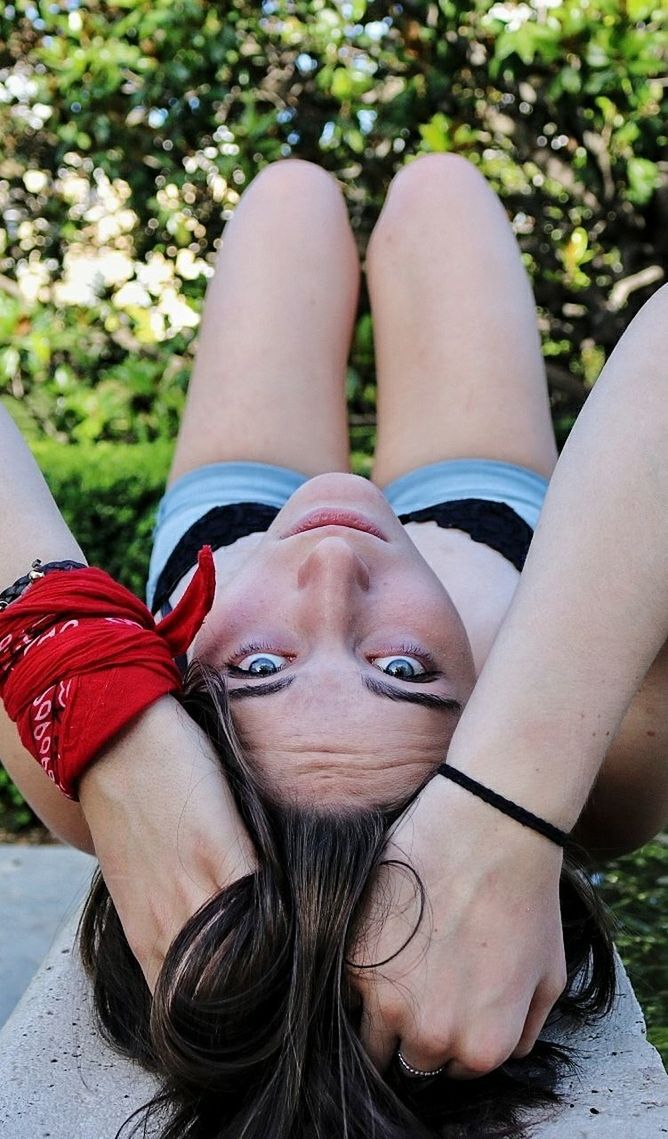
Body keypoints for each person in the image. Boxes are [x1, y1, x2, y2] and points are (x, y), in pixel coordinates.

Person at [0, 155, 667, 1136]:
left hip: (226, 530)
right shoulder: (613, 765)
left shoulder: (93, 766)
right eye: (404, 672)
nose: (326, 572)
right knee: (439, 190)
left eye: (256, 670)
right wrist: (511, 805)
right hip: (486, 514)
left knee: (288, 197)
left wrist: (123, 746)